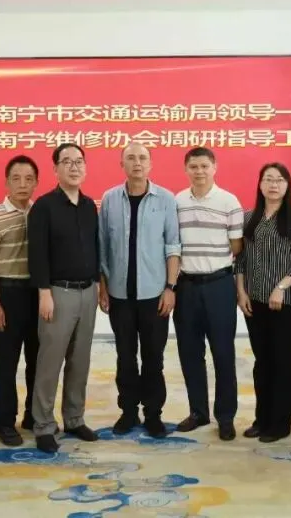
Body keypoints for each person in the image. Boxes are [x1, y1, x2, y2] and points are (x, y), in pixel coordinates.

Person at [98, 142, 181, 439]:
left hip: (154, 296)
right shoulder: (109, 199)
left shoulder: (166, 199)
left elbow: (173, 246)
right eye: (131, 158)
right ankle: (129, 412)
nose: (137, 163)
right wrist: (103, 287)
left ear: (151, 164)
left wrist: (170, 287)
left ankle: (153, 414)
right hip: (119, 295)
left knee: (153, 358)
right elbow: (102, 248)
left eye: (142, 158)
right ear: (121, 164)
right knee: (125, 356)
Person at [28, 143, 101, 453]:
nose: (74, 167)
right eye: (67, 161)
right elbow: (37, 253)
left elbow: (96, 247)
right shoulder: (44, 207)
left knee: (80, 361)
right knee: (50, 362)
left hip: (88, 292)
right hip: (57, 293)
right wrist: (44, 292)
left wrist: (100, 286)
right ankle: (44, 425)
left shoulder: (88, 206)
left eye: (79, 161)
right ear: (55, 168)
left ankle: (74, 418)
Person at [235, 163, 291, 443]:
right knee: (262, 362)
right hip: (254, 301)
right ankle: (262, 419)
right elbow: (241, 259)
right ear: (260, 184)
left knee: (281, 361)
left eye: (279, 180)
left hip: (286, 302)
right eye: (268, 179)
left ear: (288, 185)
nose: (274, 185)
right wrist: (241, 292)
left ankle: (279, 424)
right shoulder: (249, 218)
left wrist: (280, 288)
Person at [174, 147, 243, 442]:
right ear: (186, 170)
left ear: (214, 168)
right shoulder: (176, 202)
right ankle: (198, 411)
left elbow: (237, 247)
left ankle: (225, 417)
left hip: (219, 285)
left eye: (204, 166)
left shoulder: (229, 202)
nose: (199, 171)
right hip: (186, 286)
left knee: (223, 353)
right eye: (194, 166)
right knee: (190, 353)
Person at [0, 155, 41, 446]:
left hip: (37, 294)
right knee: (6, 362)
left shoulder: (40, 213)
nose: (22, 184)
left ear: (36, 182)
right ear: (6, 182)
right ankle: (5, 421)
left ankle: (33, 414)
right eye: (16, 178)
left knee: (37, 359)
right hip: (8, 293)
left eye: (29, 179)